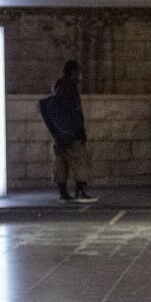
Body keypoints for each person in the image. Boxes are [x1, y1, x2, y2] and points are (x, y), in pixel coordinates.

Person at [39, 60, 94, 202]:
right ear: (73, 72)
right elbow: (74, 113)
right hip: (71, 134)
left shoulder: (57, 86)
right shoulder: (70, 87)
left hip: (59, 135)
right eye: (79, 72)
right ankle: (80, 192)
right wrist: (80, 132)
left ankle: (63, 194)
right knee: (80, 159)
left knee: (61, 161)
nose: (80, 76)